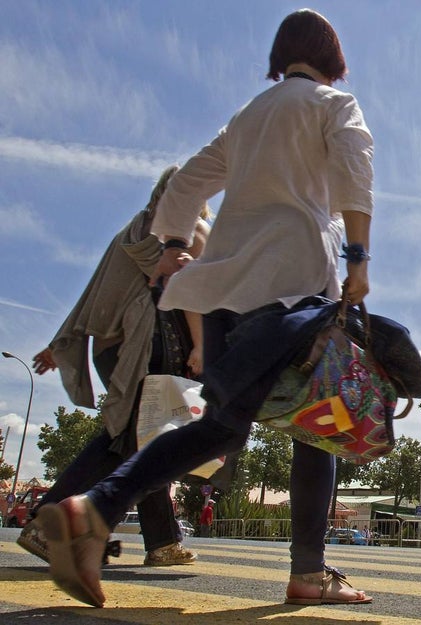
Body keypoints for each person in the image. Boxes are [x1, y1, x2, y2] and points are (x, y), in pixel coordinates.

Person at [37, 9, 374, 608]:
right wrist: (357, 261)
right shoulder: (331, 104)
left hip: (222, 292)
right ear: (332, 59)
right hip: (293, 283)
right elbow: (354, 171)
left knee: (221, 424)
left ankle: (96, 510)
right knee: (318, 429)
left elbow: (186, 182)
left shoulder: (246, 117)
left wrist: (171, 246)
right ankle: (305, 569)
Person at [17, 166, 208, 568]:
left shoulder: (133, 230)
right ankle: (47, 522)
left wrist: (63, 341)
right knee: (125, 438)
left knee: (148, 438)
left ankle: (163, 541)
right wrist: (202, 345)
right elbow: (187, 286)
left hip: (112, 348)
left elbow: (100, 291)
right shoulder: (184, 229)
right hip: (147, 347)